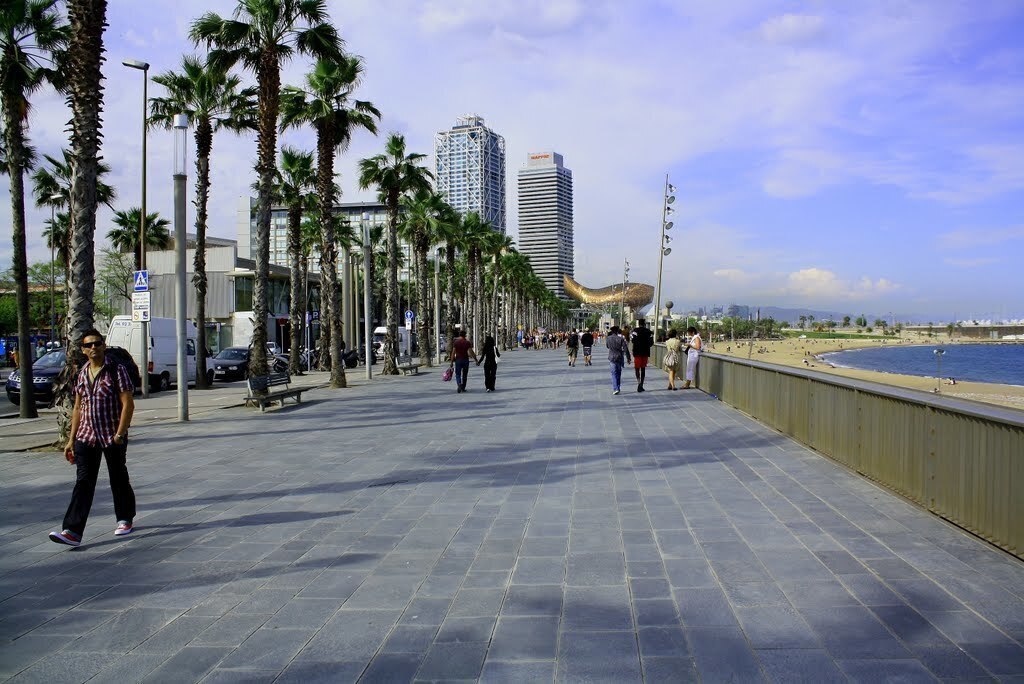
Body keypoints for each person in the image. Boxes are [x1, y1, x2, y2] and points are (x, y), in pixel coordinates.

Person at [49, 329, 136, 547]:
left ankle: (125, 518)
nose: (94, 348)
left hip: (111, 436)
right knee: (83, 482)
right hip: (86, 437)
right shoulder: (81, 373)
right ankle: (72, 531)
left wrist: (120, 433)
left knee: (118, 477)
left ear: (104, 346)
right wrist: (71, 439)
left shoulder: (117, 370)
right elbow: (78, 407)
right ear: (83, 350)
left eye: (97, 344)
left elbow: (128, 403)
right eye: (89, 345)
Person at [449, 329, 478, 393]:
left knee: (458, 374)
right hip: (465, 360)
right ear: (465, 335)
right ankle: (463, 387)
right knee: (465, 374)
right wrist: (476, 360)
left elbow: (453, 353)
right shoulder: (467, 342)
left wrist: (451, 362)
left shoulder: (456, 342)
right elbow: (471, 352)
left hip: (458, 360)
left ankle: (459, 384)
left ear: (459, 335)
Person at [606, 325, 631, 395]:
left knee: (613, 373)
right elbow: (626, 349)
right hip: (619, 357)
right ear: (617, 331)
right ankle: (618, 387)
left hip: (611, 357)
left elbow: (607, 346)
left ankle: (615, 388)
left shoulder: (608, 338)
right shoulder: (621, 339)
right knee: (619, 373)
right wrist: (628, 358)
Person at [630, 319, 654, 392]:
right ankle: (642, 385)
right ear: (644, 324)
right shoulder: (648, 331)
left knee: (637, 368)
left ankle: (639, 382)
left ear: (638, 323)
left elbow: (632, 340)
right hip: (645, 352)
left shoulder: (634, 331)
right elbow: (651, 342)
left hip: (637, 352)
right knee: (643, 369)